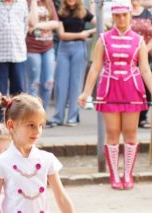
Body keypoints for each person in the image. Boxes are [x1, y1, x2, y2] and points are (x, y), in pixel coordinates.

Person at [77, 0, 152, 190]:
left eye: (125, 15)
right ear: (113, 16)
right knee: (112, 133)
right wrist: (86, 92)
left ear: (130, 15)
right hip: (109, 89)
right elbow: (95, 67)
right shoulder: (103, 39)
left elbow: (145, 69)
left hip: (132, 88)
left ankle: (128, 174)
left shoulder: (139, 40)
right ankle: (114, 174)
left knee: (131, 134)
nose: (121, 19)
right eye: (118, 15)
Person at [47, 0, 96, 128]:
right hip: (64, 48)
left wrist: (89, 33)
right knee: (60, 84)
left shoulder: (84, 12)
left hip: (79, 48)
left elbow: (100, 24)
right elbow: (62, 35)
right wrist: (81, 34)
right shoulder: (60, 12)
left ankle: (72, 117)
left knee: (76, 83)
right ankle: (58, 117)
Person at [0, 0, 29, 123]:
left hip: (18, 54)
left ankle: (17, 123)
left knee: (18, 95)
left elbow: (25, 26)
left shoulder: (22, 3)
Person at [131, 0, 152, 129]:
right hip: (129, 56)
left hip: (147, 55)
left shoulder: (150, 13)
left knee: (146, 86)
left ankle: (142, 117)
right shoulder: (125, 13)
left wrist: (145, 50)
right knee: (130, 85)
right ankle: (130, 115)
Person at [25, 0, 58, 110]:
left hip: (48, 47)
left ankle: (43, 113)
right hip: (32, 48)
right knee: (34, 83)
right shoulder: (26, 2)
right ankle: (33, 114)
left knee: (48, 82)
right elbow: (32, 22)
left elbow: (55, 23)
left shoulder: (48, 2)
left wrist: (37, 26)